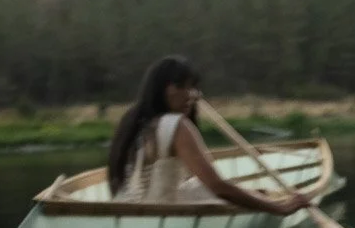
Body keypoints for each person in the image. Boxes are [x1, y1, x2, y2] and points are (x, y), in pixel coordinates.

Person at [107, 56, 309, 215]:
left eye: (194, 87)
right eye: (183, 87)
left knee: (207, 187)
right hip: (159, 213)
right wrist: (278, 208)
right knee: (219, 189)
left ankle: (257, 194)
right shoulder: (177, 125)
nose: (192, 94)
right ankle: (260, 197)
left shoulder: (132, 119)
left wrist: (256, 197)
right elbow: (217, 186)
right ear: (164, 89)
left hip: (130, 208)